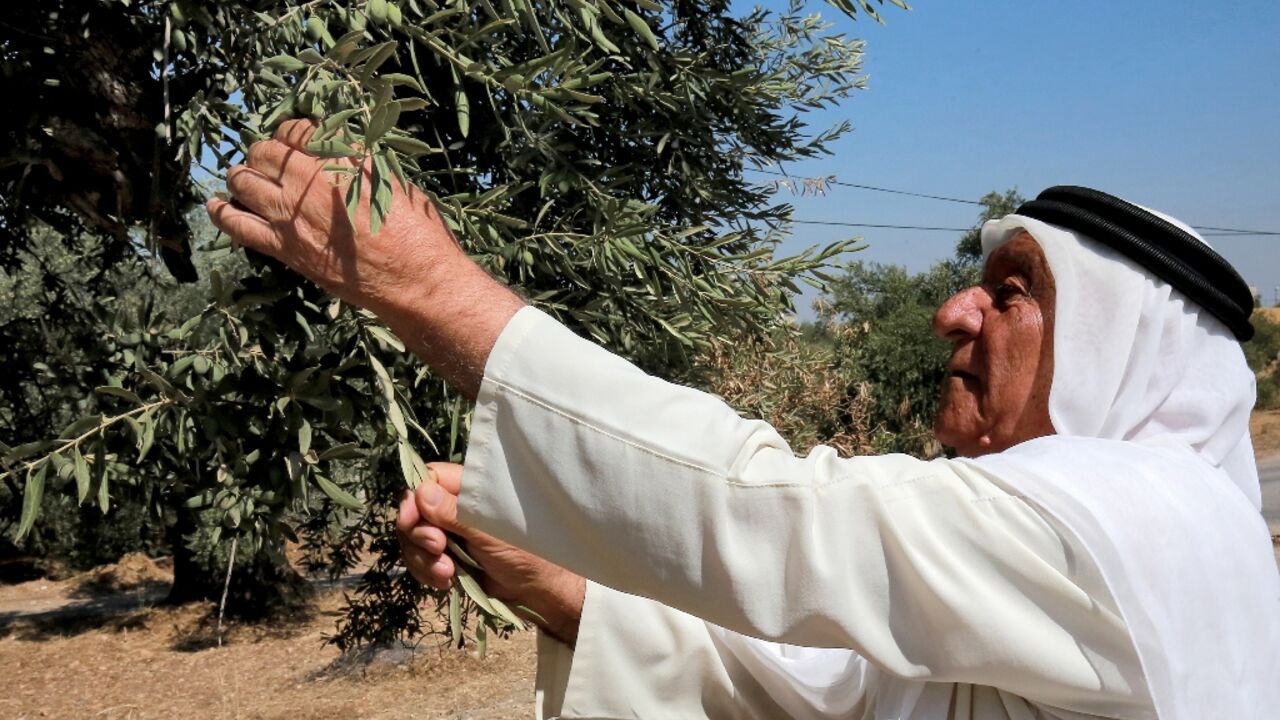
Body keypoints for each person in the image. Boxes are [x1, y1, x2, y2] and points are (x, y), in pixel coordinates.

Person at [208, 120, 1280, 719]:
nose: (953, 310)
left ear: (1121, 349)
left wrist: (428, 288)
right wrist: (564, 590)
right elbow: (835, 690)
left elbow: (780, 517)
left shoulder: (1146, 522)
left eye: (1010, 290)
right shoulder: (1092, 542)